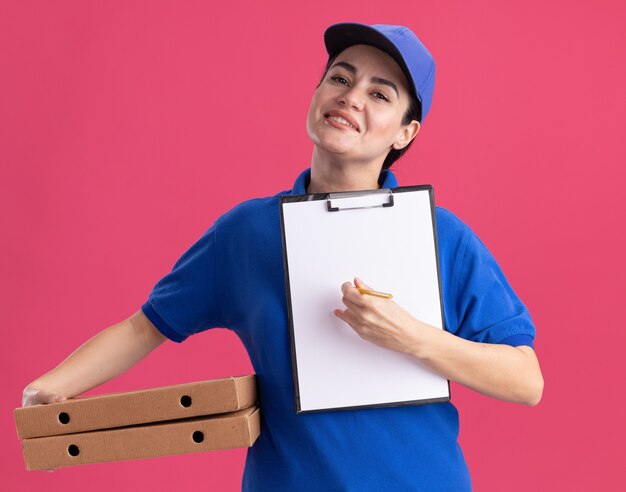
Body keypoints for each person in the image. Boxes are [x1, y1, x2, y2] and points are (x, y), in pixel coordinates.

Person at [23, 22, 544, 491]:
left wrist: (410, 337)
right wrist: (51, 388)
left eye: (379, 93)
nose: (351, 97)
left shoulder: (442, 237)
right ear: (317, 93)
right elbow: (145, 327)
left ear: (406, 133)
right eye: (340, 79)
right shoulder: (247, 233)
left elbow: (526, 381)